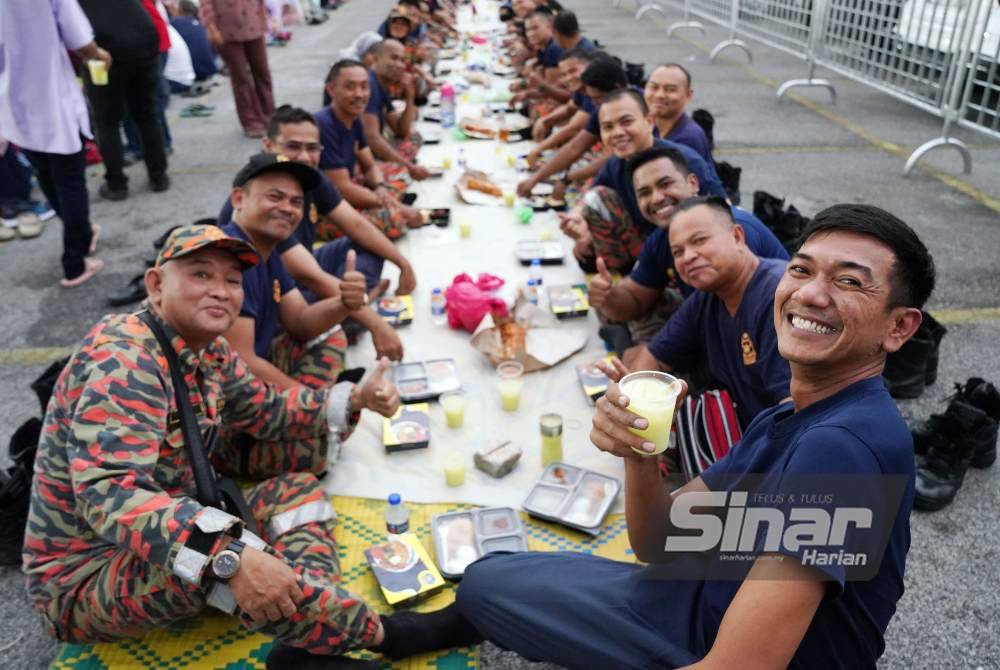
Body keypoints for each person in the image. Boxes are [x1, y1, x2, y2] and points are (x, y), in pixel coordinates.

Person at [452, 203, 931, 669]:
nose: (810, 295)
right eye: (802, 270)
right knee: (486, 580)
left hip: (705, 643)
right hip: (691, 598)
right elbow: (660, 541)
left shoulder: (840, 447)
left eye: (849, 281)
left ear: (899, 327)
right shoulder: (787, 414)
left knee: (492, 588)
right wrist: (639, 450)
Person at [20, 223, 430, 670]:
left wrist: (355, 398)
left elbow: (268, 410)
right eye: (200, 275)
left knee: (295, 489)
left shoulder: (208, 349)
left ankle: (307, 643)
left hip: (174, 515)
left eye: (232, 281)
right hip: (86, 576)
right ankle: (382, 633)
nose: (220, 291)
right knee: (209, 562)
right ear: (157, 285)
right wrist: (228, 553)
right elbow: (110, 495)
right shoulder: (124, 357)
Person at [214, 154, 381, 478]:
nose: (288, 208)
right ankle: (260, 444)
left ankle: (303, 414)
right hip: (227, 414)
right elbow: (243, 361)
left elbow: (301, 323)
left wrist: (344, 303)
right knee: (322, 447)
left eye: (295, 201)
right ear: (239, 198)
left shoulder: (267, 249)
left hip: (261, 374)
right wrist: (318, 404)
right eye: (274, 196)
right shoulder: (229, 258)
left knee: (331, 334)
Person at [217, 105, 416, 360]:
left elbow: (355, 224)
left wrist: (402, 263)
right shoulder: (256, 220)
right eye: (293, 146)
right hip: (280, 303)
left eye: (312, 148)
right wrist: (376, 322)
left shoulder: (307, 178)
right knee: (327, 340)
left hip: (294, 286)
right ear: (267, 145)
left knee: (366, 246)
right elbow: (311, 277)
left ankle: (354, 305)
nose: (304, 156)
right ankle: (356, 310)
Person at [589, 146, 786, 351]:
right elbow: (635, 300)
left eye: (665, 184)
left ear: (693, 183)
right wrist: (607, 296)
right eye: (645, 193)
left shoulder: (732, 227)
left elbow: (739, 329)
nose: (656, 198)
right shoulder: (662, 237)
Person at [621, 195, 791, 425]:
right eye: (678, 251)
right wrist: (641, 402)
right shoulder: (707, 297)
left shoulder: (779, 295)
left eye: (699, 240)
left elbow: (796, 414)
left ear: (737, 237)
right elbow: (652, 358)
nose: (688, 256)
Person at [557, 89, 725, 276]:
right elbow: (595, 190)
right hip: (650, 247)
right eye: (608, 127)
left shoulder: (684, 162)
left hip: (692, 256)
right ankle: (626, 275)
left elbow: (725, 215)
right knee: (595, 199)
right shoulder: (616, 162)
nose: (617, 133)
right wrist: (578, 219)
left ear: (649, 121)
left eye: (626, 122)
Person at [0, 0, 107, 286]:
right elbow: (79, 38)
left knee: (46, 174)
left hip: (14, 102)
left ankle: (82, 231)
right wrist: (99, 54)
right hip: (52, 99)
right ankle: (75, 262)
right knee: (70, 182)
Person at [316, 59, 422, 241]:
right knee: (393, 219)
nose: (359, 94)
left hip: (350, 190)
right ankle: (388, 207)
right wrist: (393, 205)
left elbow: (370, 165)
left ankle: (384, 203)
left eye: (364, 87)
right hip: (323, 212)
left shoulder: (354, 117)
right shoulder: (324, 125)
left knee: (400, 171)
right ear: (331, 90)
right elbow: (343, 189)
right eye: (350, 87)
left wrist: (380, 188)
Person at [77, 0, 171, 200]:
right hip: (143, 41)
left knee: (106, 121)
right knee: (147, 114)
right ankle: (159, 176)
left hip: (102, 50)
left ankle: (117, 184)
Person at [200, 0, 275, 138]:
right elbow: (206, 4)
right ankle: (250, 121)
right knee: (241, 78)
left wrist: (267, 20)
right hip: (226, 32)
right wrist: (211, 27)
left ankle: (270, 115)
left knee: (263, 73)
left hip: (254, 25)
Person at [362, 39, 430, 180]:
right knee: (400, 173)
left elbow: (401, 130)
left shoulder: (382, 86)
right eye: (393, 58)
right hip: (359, 161)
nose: (399, 65)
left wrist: (410, 95)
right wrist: (409, 167)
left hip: (372, 153)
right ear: (376, 59)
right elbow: (372, 138)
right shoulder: (369, 85)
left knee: (414, 137)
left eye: (402, 60)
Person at [645, 63, 712, 163]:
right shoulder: (652, 126)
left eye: (670, 89)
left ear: (688, 94)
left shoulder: (688, 139)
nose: (660, 95)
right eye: (654, 87)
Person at [169, 0, 219, 86]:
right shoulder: (199, 23)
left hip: (193, 74)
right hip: (211, 69)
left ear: (180, 10)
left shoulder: (174, 23)